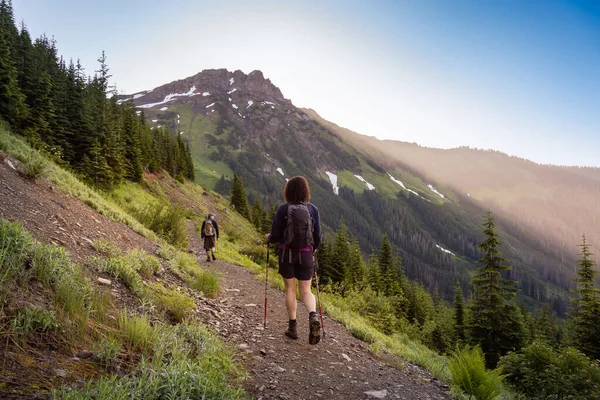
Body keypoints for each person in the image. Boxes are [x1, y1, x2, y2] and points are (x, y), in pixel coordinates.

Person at [266, 176, 322, 344]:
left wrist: (269, 238)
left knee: (290, 289)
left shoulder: (283, 209)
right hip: (306, 254)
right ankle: (313, 316)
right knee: (306, 291)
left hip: (287, 254)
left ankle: (292, 327)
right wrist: (313, 250)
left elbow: (275, 235)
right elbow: (318, 237)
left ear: (288, 191)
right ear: (306, 191)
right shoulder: (313, 209)